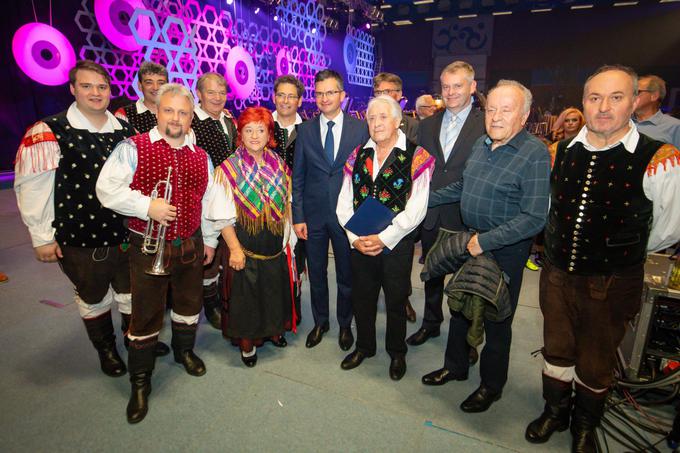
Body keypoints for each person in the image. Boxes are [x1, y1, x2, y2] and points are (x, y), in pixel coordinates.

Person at [525, 65, 680, 453]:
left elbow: (668, 228)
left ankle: (584, 425)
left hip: (612, 282)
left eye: (616, 97)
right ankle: (556, 411)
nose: (604, 108)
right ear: (583, 102)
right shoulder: (559, 151)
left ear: (634, 102)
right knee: (556, 346)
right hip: (558, 274)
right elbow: (548, 208)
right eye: (595, 98)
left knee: (596, 359)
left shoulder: (660, 158)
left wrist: (620, 251)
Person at [13, 60, 168, 380]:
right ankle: (106, 349)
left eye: (101, 87)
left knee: (130, 291)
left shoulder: (125, 130)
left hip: (125, 231)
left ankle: (133, 338)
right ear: (72, 89)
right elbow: (33, 186)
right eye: (86, 86)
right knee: (93, 294)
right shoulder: (49, 130)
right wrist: (41, 236)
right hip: (79, 234)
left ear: (110, 91)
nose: (95, 93)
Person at [96, 83, 224, 424]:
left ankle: (184, 351)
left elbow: (209, 200)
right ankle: (141, 380)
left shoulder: (201, 156)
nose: (176, 118)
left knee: (188, 302)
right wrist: (145, 205)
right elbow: (105, 189)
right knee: (146, 313)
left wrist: (210, 240)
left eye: (183, 112)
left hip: (190, 243)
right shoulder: (132, 147)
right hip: (146, 245)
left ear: (190, 116)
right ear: (157, 111)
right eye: (169, 110)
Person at [423, 80, 551, 413]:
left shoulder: (533, 153)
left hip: (503, 249)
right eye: (491, 109)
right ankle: (455, 367)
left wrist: (486, 241)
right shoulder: (482, 143)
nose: (495, 117)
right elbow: (464, 186)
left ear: (523, 116)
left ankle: (491, 386)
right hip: (471, 239)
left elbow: (534, 217)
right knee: (460, 303)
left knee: (497, 319)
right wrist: (424, 201)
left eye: (505, 110)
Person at [337, 95, 434, 380]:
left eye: (382, 117)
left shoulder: (416, 156)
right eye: (371, 118)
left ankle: (396, 352)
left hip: (396, 246)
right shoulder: (357, 155)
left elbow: (417, 209)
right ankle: (364, 347)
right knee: (362, 299)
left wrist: (384, 238)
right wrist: (354, 238)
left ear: (397, 120)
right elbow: (344, 201)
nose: (376, 123)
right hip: (360, 244)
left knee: (395, 301)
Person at [407, 61, 485, 349]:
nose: (451, 92)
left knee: (467, 281)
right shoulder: (427, 125)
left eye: (458, 85)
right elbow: (420, 168)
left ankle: (464, 338)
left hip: (467, 216)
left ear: (473, 87)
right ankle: (431, 324)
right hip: (432, 215)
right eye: (446, 86)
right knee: (432, 274)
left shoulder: (486, 123)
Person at [292, 69, 369, 350]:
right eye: (320, 93)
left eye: (330, 92)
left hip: (347, 217)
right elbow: (298, 177)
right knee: (317, 272)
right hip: (312, 217)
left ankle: (345, 324)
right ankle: (321, 322)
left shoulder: (360, 129)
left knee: (347, 274)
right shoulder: (306, 130)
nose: (324, 98)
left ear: (342, 95)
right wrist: (297, 216)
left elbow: (366, 176)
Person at [213, 106, 295, 367]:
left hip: (273, 243)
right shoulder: (227, 169)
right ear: (240, 134)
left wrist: (289, 233)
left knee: (273, 289)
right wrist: (234, 249)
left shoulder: (279, 164)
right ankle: (248, 343)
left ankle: (273, 330)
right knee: (246, 295)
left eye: (261, 129)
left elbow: (288, 202)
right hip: (244, 244)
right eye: (249, 130)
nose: (255, 135)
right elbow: (221, 216)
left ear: (269, 132)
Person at [190, 72, 239, 330]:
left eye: (222, 92)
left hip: (231, 199)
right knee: (207, 257)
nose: (217, 97)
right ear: (199, 94)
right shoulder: (191, 123)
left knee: (226, 251)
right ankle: (210, 307)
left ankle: (224, 299)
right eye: (211, 92)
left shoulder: (229, 120)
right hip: (205, 199)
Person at [372, 72, 419, 322]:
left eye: (389, 91)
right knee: (372, 262)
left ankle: (403, 301)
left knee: (400, 265)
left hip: (403, 207)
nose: (384, 96)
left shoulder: (414, 126)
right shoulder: (369, 125)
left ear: (400, 96)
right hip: (373, 206)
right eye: (379, 92)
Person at [272, 75, 306, 324]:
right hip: (264, 206)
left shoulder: (309, 130)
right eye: (281, 95)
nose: (285, 101)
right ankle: (274, 311)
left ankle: (294, 304)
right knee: (272, 261)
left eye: (291, 96)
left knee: (297, 258)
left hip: (299, 207)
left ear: (300, 100)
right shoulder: (260, 125)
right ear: (274, 97)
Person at [114, 61, 168, 133]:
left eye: (160, 83)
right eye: (149, 82)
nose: (155, 87)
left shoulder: (177, 113)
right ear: (140, 86)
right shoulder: (124, 114)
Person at [634, 74, 680, 148]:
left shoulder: (675, 127)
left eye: (637, 92)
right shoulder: (622, 121)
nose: (631, 96)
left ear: (654, 96)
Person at [373, 72, 419, 143]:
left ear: (399, 95)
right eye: (378, 92)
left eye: (387, 92)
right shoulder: (367, 125)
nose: (381, 96)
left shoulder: (412, 126)